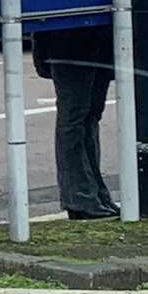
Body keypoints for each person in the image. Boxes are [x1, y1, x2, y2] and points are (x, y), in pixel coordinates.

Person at [31, 24, 119, 220]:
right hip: (69, 36)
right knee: (75, 115)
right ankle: (79, 196)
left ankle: (93, 192)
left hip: (98, 33)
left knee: (90, 113)